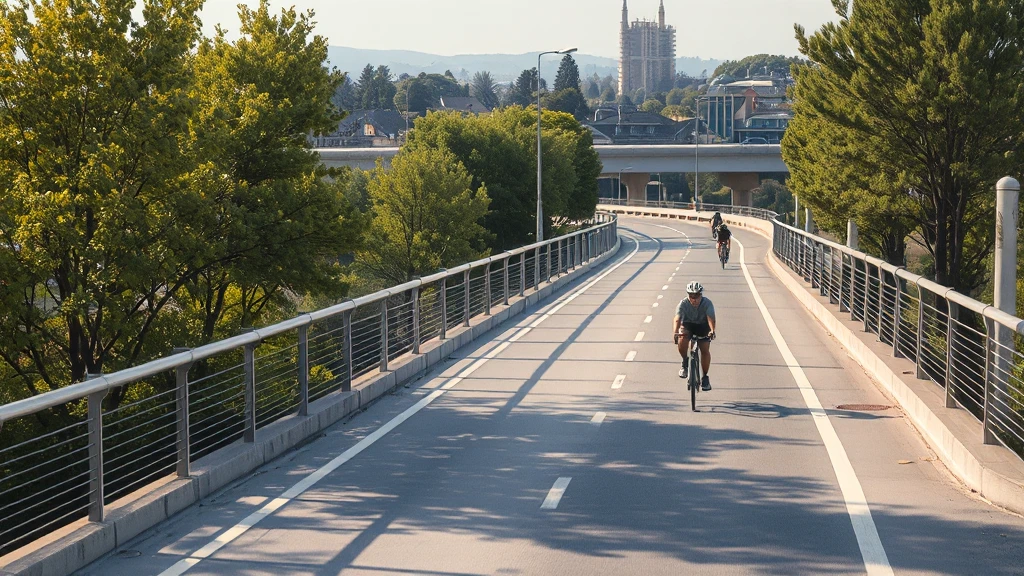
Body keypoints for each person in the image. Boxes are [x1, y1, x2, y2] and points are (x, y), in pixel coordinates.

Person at [673, 281, 716, 391]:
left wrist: (712, 330)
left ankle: (705, 377)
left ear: (700, 294)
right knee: (682, 339)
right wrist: (676, 332)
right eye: (691, 296)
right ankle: (684, 362)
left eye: (696, 296)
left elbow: (711, 317)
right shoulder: (683, 303)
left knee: (704, 349)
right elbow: (677, 318)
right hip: (688, 325)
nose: (694, 299)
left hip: (703, 326)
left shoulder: (707, 303)